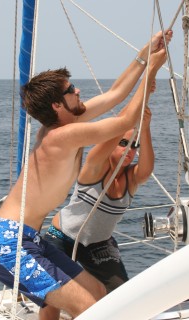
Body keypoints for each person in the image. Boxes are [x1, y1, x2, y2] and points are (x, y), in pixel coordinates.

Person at [0, 30, 172, 320]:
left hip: (28, 239)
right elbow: (125, 120)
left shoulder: (65, 125)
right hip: (10, 244)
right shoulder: (60, 137)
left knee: (97, 293)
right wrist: (153, 72)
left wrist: (145, 54)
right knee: (90, 310)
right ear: (57, 106)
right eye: (70, 90)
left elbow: (115, 95)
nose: (78, 91)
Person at [44, 89, 155, 295]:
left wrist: (145, 127)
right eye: (123, 143)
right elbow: (119, 124)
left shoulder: (131, 178)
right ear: (113, 142)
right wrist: (142, 96)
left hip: (99, 244)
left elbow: (147, 169)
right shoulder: (94, 168)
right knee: (54, 293)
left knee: (120, 294)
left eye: (134, 146)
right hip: (62, 237)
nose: (129, 150)